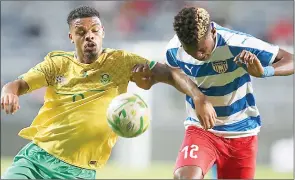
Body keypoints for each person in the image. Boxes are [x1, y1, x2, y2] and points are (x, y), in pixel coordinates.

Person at [1, 6, 200, 179]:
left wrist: (198, 97)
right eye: (81, 31)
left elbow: (170, 74)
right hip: (37, 159)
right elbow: (17, 84)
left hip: (80, 171)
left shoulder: (121, 62)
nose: (89, 35)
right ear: (71, 37)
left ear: (102, 32)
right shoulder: (57, 64)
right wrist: (9, 93)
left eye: (95, 30)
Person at [161, 7, 293, 179]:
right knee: (185, 177)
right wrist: (197, 96)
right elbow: (172, 73)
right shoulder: (174, 49)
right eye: (190, 50)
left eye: (201, 48)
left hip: (241, 132)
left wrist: (264, 72)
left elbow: (291, 59)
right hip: (202, 130)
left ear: (213, 31)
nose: (197, 55)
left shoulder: (237, 43)